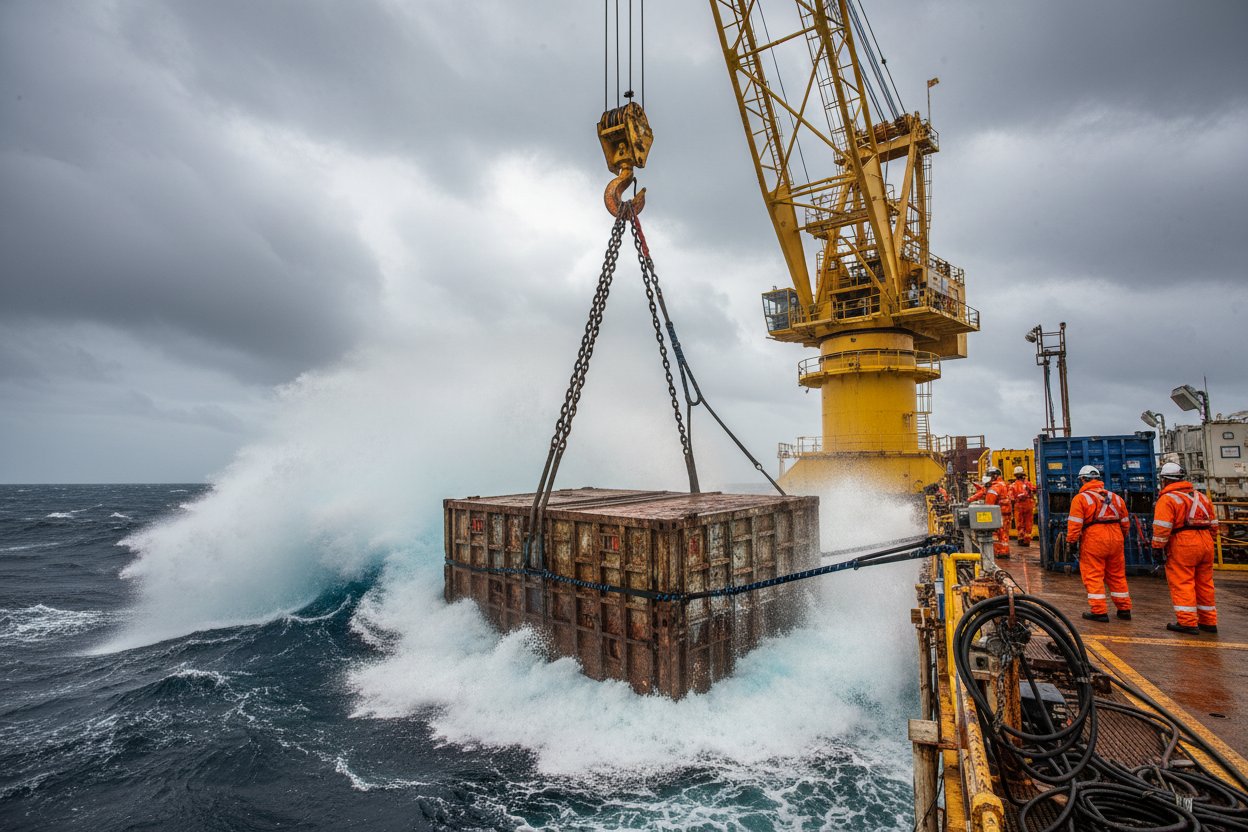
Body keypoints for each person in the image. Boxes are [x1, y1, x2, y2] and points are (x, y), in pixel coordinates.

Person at [1151, 462, 1220, 635]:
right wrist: (1208, 541)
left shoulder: (1167, 499)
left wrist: (1157, 548)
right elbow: (1214, 524)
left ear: (1165, 480)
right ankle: (1209, 621)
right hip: (1205, 542)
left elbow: (1162, 528)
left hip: (1183, 543)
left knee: (1183, 582)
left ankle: (1188, 622)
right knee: (1205, 583)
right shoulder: (1201, 497)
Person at [1067, 465, 1132, 622]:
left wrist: (1071, 542)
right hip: (1116, 537)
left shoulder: (1081, 498)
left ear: (1083, 480)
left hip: (1094, 538)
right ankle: (1124, 609)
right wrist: (1120, 538)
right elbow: (1125, 523)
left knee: (1093, 574)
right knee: (1117, 575)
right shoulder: (1116, 498)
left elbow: (1075, 524)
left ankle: (1099, 611)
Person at [984, 466, 1011, 559]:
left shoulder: (995, 487)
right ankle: (1003, 550)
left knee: (1000, 533)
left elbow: (989, 504)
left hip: (999, 513)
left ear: (994, 476)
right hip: (1004, 512)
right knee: (1004, 533)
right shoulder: (1003, 484)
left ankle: (1002, 551)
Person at [1007, 465, 1038, 547]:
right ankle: (1026, 540)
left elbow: (1011, 497)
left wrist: (1017, 498)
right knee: (1028, 523)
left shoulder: (1012, 486)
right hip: (1029, 505)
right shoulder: (1028, 484)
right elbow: (1035, 489)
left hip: (1019, 505)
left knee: (1019, 522)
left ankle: (1021, 539)